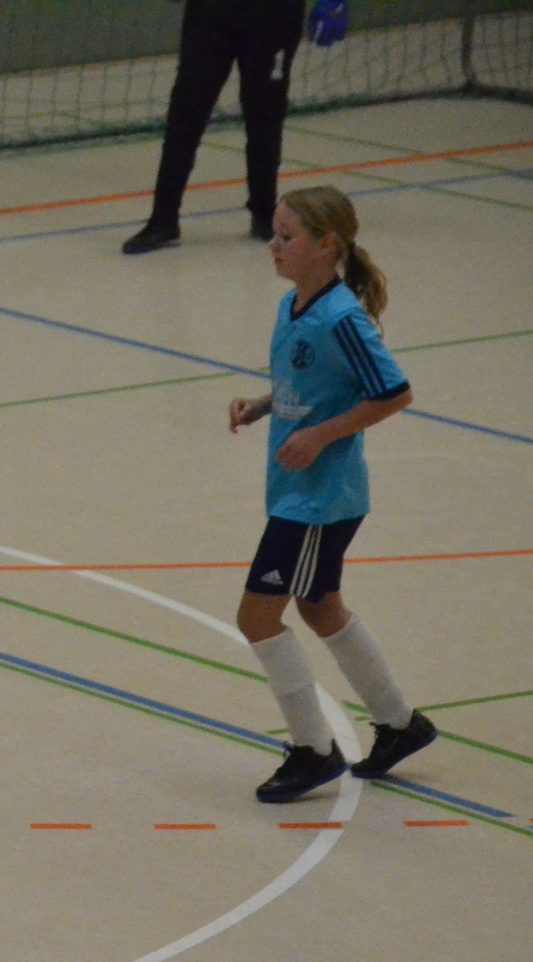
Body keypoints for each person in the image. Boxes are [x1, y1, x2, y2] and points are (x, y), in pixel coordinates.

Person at [227, 186, 435, 802]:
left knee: (256, 616)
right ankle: (400, 723)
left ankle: (313, 750)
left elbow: (394, 393)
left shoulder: (342, 318)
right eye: (274, 233)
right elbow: (311, 383)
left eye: (287, 236)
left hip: (320, 498)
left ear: (326, 246)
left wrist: (319, 435)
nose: (274, 245)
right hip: (298, 490)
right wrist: (265, 405)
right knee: (320, 606)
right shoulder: (294, 305)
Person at [121, 0, 347, 255]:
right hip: (212, 12)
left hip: (273, 14)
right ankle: (163, 220)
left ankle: (264, 213)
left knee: (265, 114)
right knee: (186, 112)